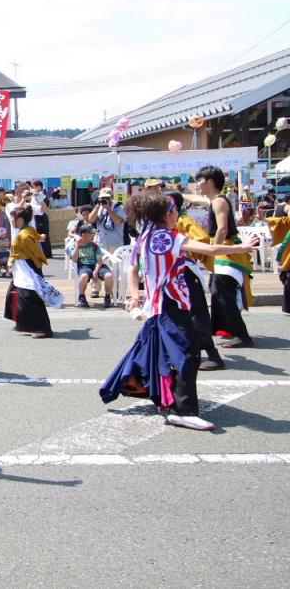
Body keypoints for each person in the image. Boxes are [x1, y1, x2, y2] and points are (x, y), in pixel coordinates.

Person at [100, 193, 258, 431]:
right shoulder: (168, 237)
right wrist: (242, 246)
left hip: (158, 305)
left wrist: (135, 297)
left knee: (159, 351)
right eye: (175, 211)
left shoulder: (145, 237)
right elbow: (211, 248)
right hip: (170, 303)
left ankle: (161, 396)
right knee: (187, 353)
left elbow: (133, 269)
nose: (177, 215)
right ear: (168, 214)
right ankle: (181, 410)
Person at [194, 166, 253, 348]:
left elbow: (222, 228)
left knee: (223, 292)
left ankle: (242, 335)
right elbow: (194, 198)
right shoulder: (214, 200)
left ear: (210, 182)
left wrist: (212, 249)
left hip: (226, 250)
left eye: (200, 181)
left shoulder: (219, 202)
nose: (197, 185)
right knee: (217, 289)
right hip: (224, 249)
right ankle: (225, 328)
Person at [168, 191, 226, 371]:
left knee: (197, 313)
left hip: (186, 273)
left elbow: (201, 238)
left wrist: (186, 250)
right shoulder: (166, 223)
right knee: (178, 315)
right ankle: (185, 353)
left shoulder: (182, 221)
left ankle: (212, 354)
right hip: (174, 274)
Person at [4, 205, 57, 338]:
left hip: (28, 267)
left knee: (29, 297)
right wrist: (41, 237)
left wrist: (38, 267)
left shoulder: (25, 234)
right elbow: (37, 236)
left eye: (13, 218)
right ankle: (22, 324)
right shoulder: (27, 230)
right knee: (13, 294)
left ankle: (43, 329)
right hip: (21, 267)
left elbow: (36, 252)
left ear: (20, 219)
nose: (11, 221)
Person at [74, 224, 113, 308]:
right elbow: (74, 259)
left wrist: (96, 270)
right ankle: (81, 297)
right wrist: (77, 246)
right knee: (83, 276)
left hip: (96, 265)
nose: (93, 235)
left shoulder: (94, 245)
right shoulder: (75, 245)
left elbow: (99, 261)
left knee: (109, 275)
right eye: (91, 233)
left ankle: (107, 297)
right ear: (84, 235)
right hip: (84, 266)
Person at [265, 197, 290, 314]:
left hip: (281, 243)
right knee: (286, 275)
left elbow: (272, 222)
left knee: (286, 276)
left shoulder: (278, 208)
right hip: (285, 244)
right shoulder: (287, 208)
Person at [89, 188, 127, 255]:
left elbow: (117, 221)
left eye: (106, 197)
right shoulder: (100, 208)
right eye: (102, 198)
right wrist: (97, 206)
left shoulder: (119, 207)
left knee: (115, 264)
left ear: (112, 197)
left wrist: (108, 208)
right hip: (102, 242)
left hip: (115, 244)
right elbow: (90, 220)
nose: (104, 199)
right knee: (104, 264)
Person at [31, 180, 53, 258]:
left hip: (41, 217)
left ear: (39, 187)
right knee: (38, 234)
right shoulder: (34, 195)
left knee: (43, 235)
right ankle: (41, 252)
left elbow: (45, 207)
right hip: (36, 217)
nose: (32, 189)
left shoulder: (41, 195)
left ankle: (45, 253)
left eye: (33, 187)